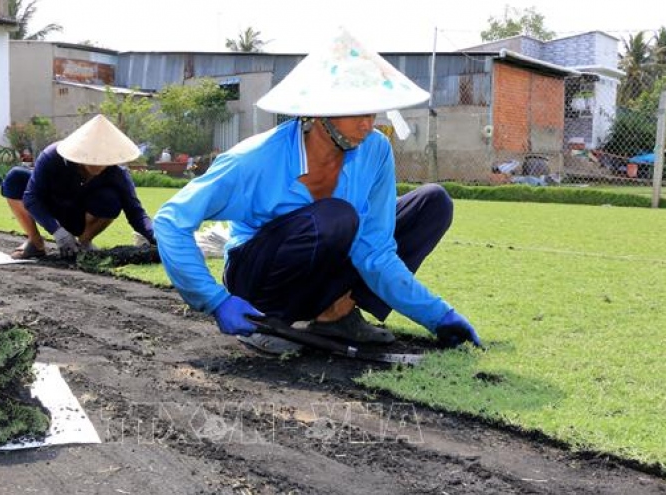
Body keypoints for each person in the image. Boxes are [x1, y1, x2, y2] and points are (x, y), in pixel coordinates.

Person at [153, 28, 481, 353]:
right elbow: (171, 221)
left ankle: (337, 315)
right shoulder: (256, 160)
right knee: (336, 216)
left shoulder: (375, 151)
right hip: (258, 276)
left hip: (322, 264)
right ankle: (272, 321)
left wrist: (439, 316)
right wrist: (214, 300)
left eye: (372, 111)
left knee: (431, 202)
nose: (367, 124)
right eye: (355, 112)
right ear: (318, 111)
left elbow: (375, 249)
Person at [1, 114, 156, 259]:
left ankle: (83, 243)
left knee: (112, 198)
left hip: (82, 215)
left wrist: (159, 238)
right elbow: (31, 197)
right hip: (53, 204)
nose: (98, 162)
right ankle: (35, 242)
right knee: (15, 177)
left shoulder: (118, 173)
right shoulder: (52, 157)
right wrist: (57, 231)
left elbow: (136, 213)